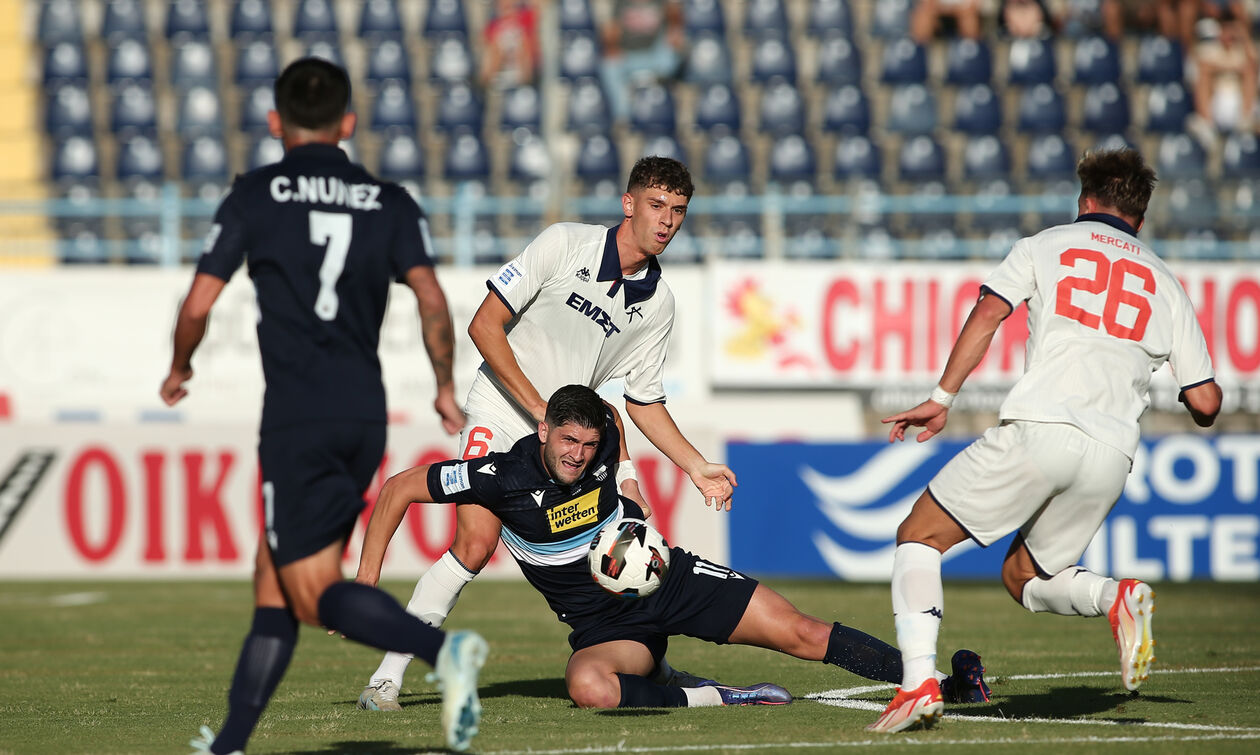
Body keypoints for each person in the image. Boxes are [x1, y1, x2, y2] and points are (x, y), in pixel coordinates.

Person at [160, 58, 487, 754]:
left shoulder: (255, 193)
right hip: (362, 416)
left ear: (275, 123)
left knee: (310, 593)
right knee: (274, 582)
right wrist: (444, 386)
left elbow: (197, 304)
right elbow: (432, 299)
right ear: (349, 123)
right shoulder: (388, 201)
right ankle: (231, 742)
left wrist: (180, 364)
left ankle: (445, 649)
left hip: (298, 415)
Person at [357, 156, 738, 710]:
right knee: (475, 543)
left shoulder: (658, 303)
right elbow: (483, 324)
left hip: (568, 440)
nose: (667, 221)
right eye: (656, 206)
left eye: (677, 212)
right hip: (503, 409)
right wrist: (538, 407)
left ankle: (650, 665)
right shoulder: (564, 244)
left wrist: (693, 465)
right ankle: (386, 680)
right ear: (628, 204)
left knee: (607, 561)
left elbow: (638, 402)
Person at [868, 148, 1221, 733]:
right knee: (1025, 577)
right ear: (1142, 212)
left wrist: (942, 398)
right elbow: (1206, 402)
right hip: (1112, 453)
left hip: (1042, 427)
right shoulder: (1167, 282)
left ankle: (917, 685)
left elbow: (988, 313)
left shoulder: (1047, 243)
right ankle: (1114, 597)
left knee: (919, 536)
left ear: (1085, 201)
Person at [357, 385, 992, 710]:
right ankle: (720, 695)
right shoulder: (501, 477)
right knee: (589, 689)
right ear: (543, 430)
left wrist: (632, 494)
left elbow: (617, 421)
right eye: (566, 441)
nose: (578, 455)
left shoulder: (603, 441)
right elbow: (398, 489)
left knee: (801, 630)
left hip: (673, 578)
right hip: (607, 624)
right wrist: (365, 581)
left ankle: (941, 682)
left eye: (588, 444)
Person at [599, 0, 686, 123]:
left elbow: (675, 23)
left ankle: (661, 95)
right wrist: (611, 44)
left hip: (655, 56)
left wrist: (674, 24)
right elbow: (612, 30)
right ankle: (623, 119)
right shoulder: (620, 3)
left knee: (671, 53)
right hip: (628, 58)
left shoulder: (661, 2)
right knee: (609, 66)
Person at [479, 0, 539, 89]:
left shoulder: (527, 18)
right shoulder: (493, 27)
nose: (505, 5)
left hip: (522, 78)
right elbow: (486, 71)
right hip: (499, 78)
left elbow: (530, 58)